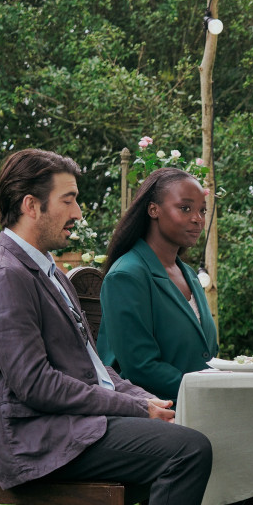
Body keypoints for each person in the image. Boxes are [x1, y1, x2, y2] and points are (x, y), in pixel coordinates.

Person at [0, 149, 225, 505]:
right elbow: (35, 385)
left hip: (71, 426)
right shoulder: (6, 276)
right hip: (37, 439)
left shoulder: (47, 272)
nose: (78, 212)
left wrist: (145, 399)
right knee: (187, 450)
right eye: (68, 200)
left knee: (199, 436)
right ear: (32, 205)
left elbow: (95, 370)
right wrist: (134, 410)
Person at [97, 167, 217, 402]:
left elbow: (204, 355)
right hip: (152, 411)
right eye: (185, 208)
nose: (197, 218)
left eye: (202, 210)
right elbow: (141, 367)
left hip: (196, 405)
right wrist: (205, 392)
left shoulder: (190, 275)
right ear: (153, 210)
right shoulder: (126, 276)